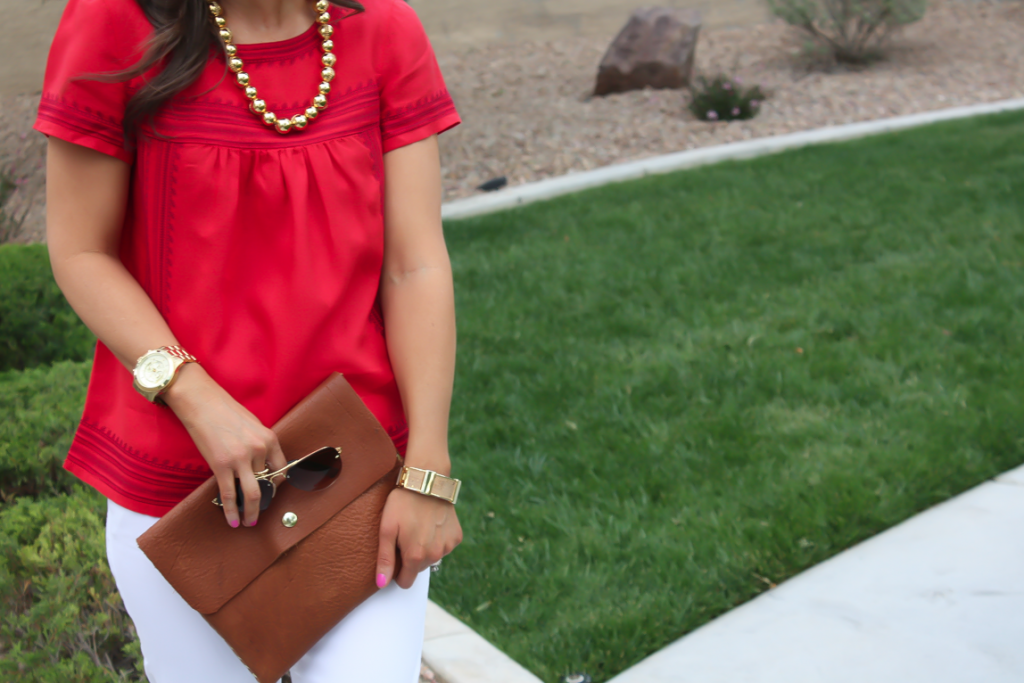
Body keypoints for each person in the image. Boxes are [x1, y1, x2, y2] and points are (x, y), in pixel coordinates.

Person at [35, 0, 464, 680]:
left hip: (354, 479)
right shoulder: (114, 23)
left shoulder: (384, 29)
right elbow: (81, 251)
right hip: (178, 497)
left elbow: (415, 267)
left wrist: (428, 474)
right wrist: (196, 395)